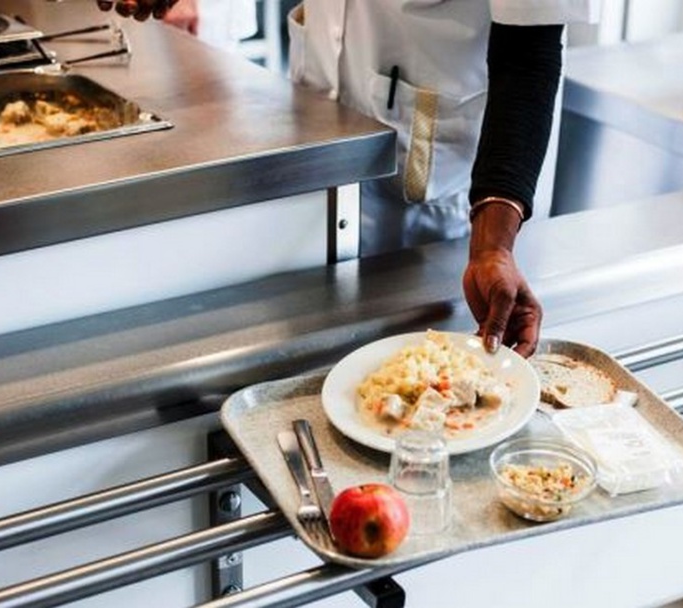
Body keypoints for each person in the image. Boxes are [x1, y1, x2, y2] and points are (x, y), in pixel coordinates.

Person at [97, 0, 600, 359]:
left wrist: (493, 247)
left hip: (442, 202)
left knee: (428, 387)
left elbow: (528, 57)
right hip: (318, 132)